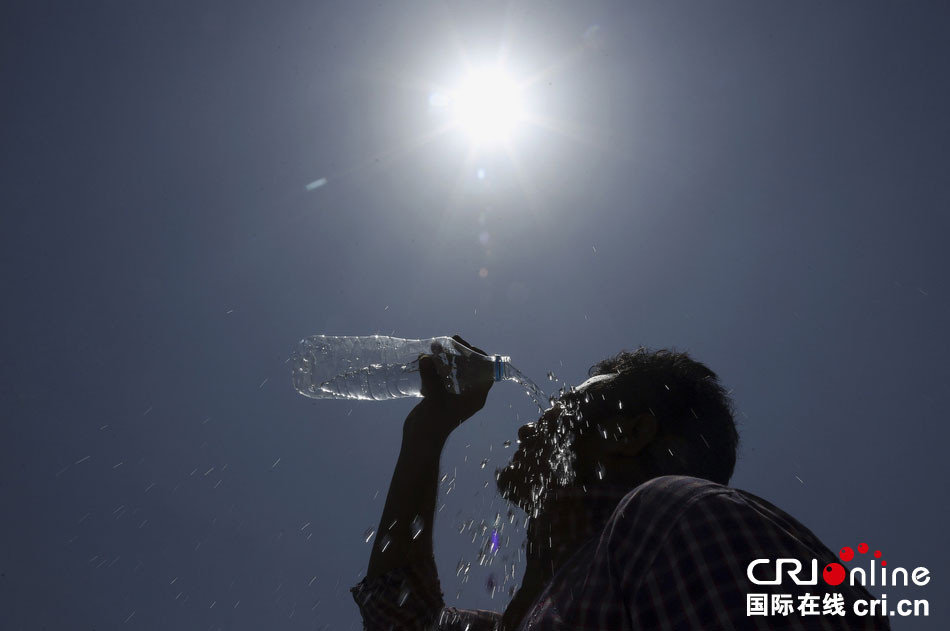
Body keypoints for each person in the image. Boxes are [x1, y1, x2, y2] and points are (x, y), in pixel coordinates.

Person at [352, 337, 889, 630]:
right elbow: (400, 617)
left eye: (564, 410)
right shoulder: (542, 608)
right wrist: (426, 431)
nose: (527, 426)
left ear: (630, 433)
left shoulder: (674, 520)